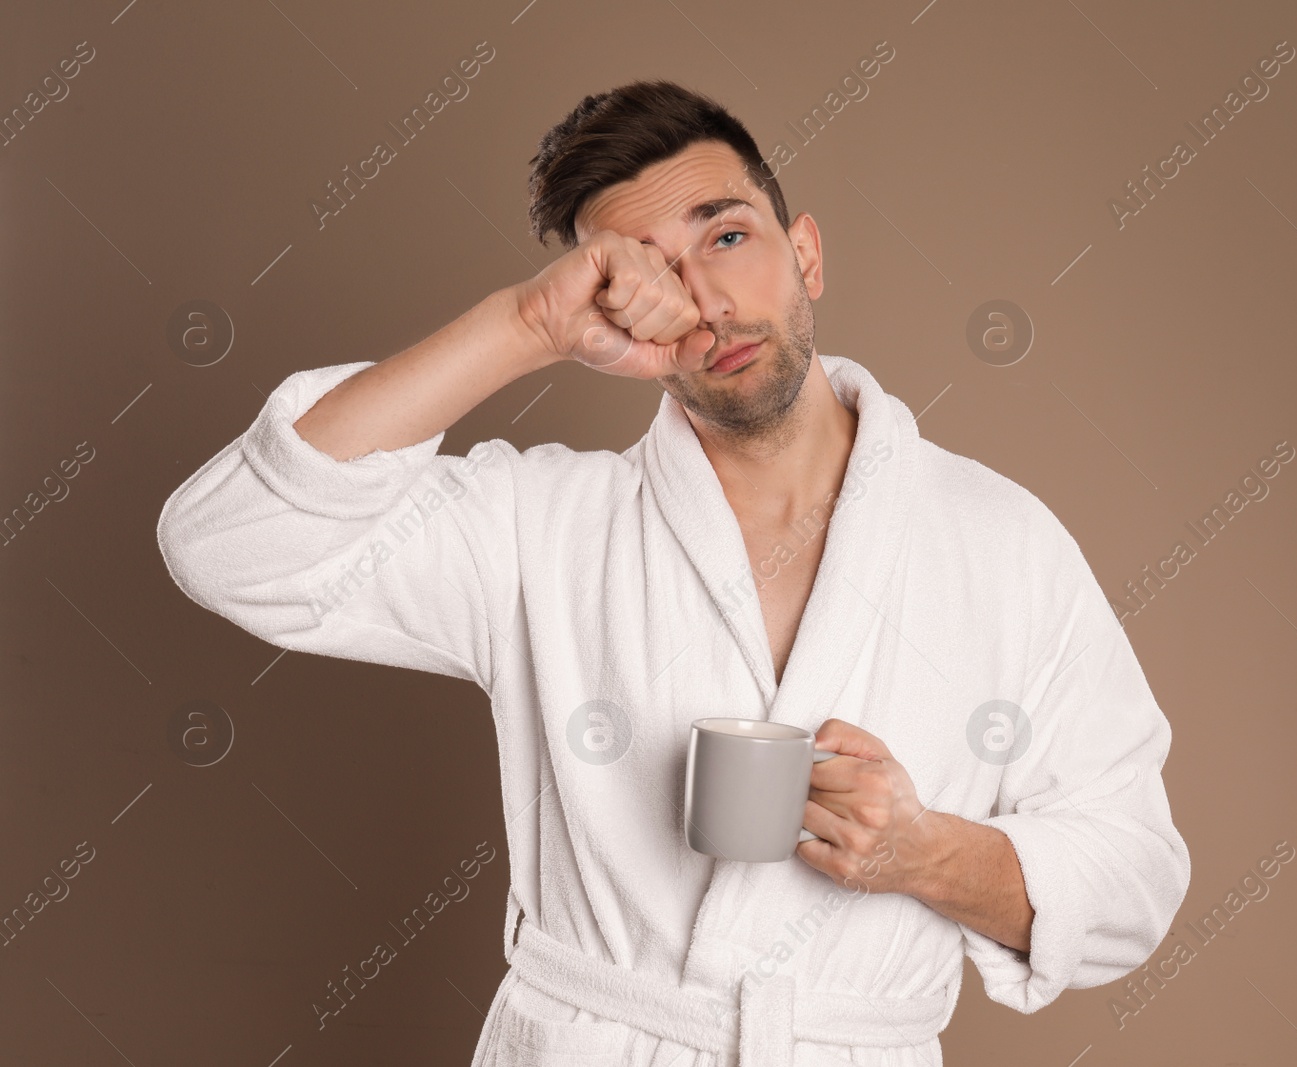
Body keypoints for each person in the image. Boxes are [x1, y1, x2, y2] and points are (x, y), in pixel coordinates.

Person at [156, 79, 1189, 1066]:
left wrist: (924, 852)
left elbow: (1133, 878)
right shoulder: (545, 527)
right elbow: (232, 542)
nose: (705, 300)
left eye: (727, 236)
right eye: (647, 269)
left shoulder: (998, 540)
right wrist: (522, 328)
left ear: (807, 254)